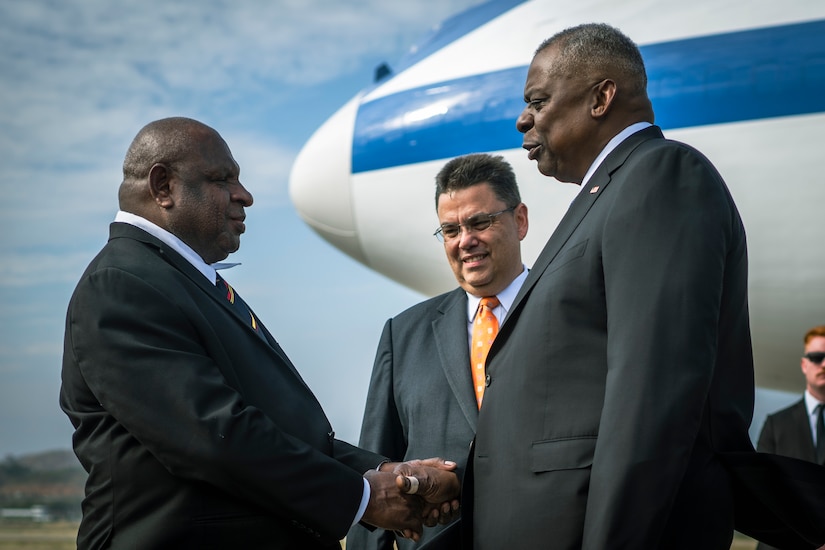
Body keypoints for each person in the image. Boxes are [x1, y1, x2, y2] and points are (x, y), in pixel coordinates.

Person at [462, 23, 825, 550]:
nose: (523, 118)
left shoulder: (660, 176)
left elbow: (652, 398)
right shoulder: (607, 195)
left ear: (601, 97)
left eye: (537, 101)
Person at [59, 117, 459, 549]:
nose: (244, 195)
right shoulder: (122, 284)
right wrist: (362, 497)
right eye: (222, 179)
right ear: (163, 187)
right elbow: (214, 436)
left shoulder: (182, 281)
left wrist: (389, 475)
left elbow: (279, 430)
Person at [347, 154, 529, 550]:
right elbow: (375, 465)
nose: (466, 240)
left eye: (480, 222)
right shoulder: (402, 334)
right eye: (450, 229)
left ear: (520, 221)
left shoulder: (569, 311)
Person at [755, 325, 825, 550]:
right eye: (817, 357)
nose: (824, 364)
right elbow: (762, 491)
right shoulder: (775, 424)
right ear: (804, 364)